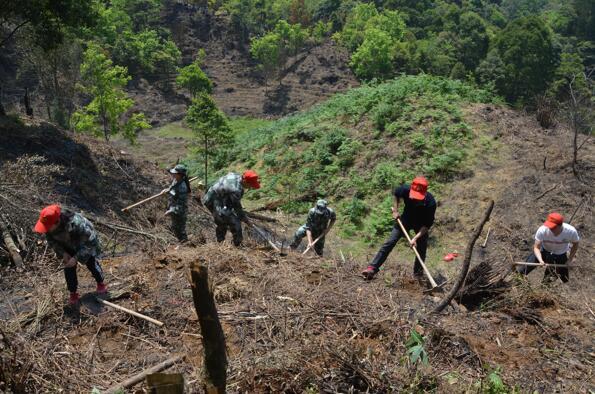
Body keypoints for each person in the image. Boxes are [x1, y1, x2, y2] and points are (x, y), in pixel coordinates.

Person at [362, 176, 436, 280]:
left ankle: (417, 276)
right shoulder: (405, 189)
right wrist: (396, 210)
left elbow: (427, 225)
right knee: (390, 242)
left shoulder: (430, 203)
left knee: (421, 249)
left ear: (424, 193)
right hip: (406, 219)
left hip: (421, 225)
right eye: (414, 195)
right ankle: (372, 268)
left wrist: (415, 238)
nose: (415, 198)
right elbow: (396, 194)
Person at [34, 204, 107, 305]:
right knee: (68, 267)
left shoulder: (79, 224)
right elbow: (52, 242)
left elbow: (91, 243)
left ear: (57, 222)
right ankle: (73, 293)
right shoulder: (49, 227)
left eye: (48, 227)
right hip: (67, 246)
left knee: (91, 263)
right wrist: (63, 253)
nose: (46, 229)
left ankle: (101, 283)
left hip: (84, 244)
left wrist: (76, 257)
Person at [516, 212, 580, 283]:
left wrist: (570, 260)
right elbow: (536, 247)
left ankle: (544, 289)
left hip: (560, 254)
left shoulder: (571, 232)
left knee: (550, 278)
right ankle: (516, 282)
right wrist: (540, 260)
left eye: (553, 227)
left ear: (560, 225)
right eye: (549, 227)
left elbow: (575, 245)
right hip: (544, 251)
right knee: (523, 269)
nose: (551, 229)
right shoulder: (543, 230)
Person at [202, 170, 260, 246]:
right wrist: (246, 220)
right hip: (213, 199)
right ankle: (221, 244)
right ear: (245, 181)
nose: (250, 187)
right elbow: (237, 208)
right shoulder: (235, 189)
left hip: (223, 197)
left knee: (227, 217)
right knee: (224, 220)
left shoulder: (237, 177)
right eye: (250, 185)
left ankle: (233, 243)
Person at [164, 164, 190, 242]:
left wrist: (171, 210)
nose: (173, 174)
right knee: (175, 227)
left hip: (180, 211)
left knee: (181, 230)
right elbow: (172, 188)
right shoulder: (176, 180)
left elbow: (181, 204)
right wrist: (167, 190)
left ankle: (185, 246)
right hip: (174, 208)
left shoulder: (182, 187)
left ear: (180, 175)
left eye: (175, 173)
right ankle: (179, 244)